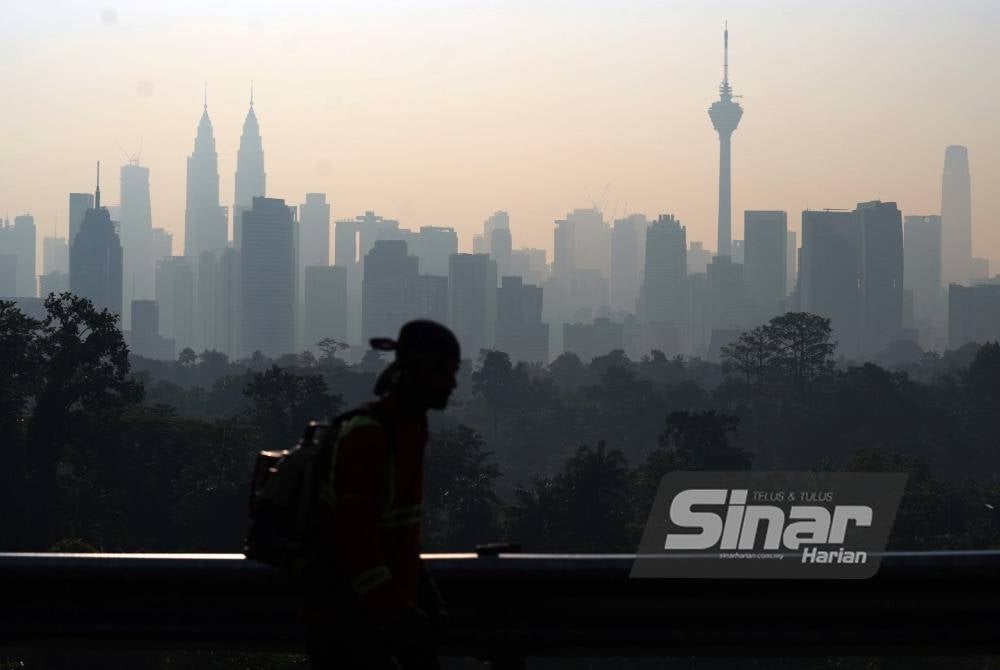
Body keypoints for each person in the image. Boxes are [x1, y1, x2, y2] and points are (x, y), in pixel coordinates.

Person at [299, 319, 460, 670]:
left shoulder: (412, 429)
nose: (453, 383)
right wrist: (402, 616)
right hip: (348, 628)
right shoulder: (369, 435)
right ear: (418, 372)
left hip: (382, 620)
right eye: (444, 372)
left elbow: (399, 539)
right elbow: (357, 549)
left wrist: (428, 604)